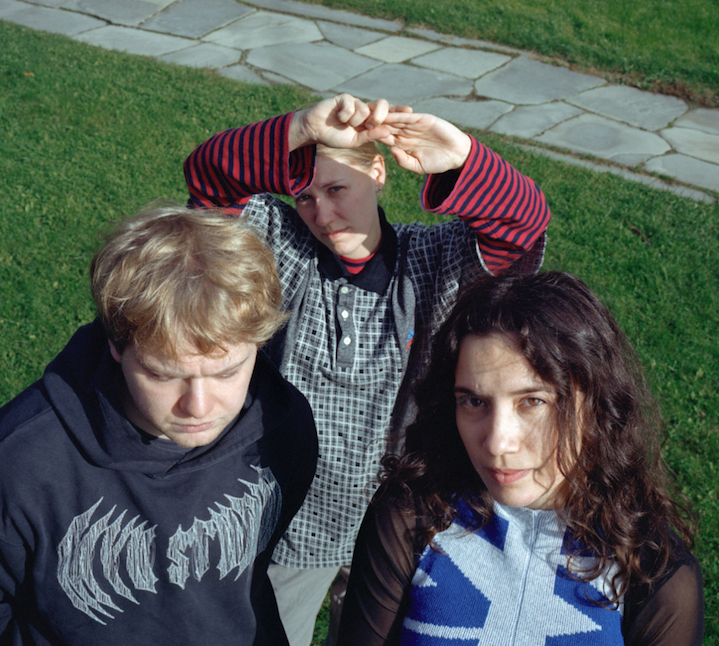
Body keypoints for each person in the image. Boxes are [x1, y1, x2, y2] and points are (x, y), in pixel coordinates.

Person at [184, 93, 551, 645]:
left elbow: (522, 229)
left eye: (337, 190)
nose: (322, 214)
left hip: (400, 528)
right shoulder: (281, 246)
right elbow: (209, 183)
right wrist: (297, 128)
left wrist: (464, 158)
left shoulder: (434, 260)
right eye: (305, 197)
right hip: (290, 524)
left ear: (377, 172)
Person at [0, 204, 318, 645]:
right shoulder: (11, 470)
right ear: (116, 344)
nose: (199, 406)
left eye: (227, 372)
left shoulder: (282, 425)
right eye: (164, 375)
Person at [337, 271, 704, 646]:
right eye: (474, 401)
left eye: (532, 402)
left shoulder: (655, 575)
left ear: (594, 401)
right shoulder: (409, 517)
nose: (498, 443)